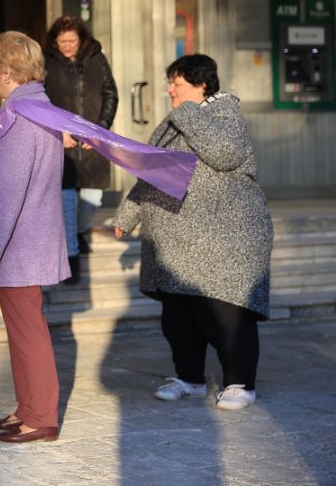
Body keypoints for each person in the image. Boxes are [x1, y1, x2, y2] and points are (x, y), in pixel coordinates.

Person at [113, 54, 273, 411]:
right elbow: (154, 172)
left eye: (177, 83)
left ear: (202, 85)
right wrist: (127, 214)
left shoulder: (225, 115)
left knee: (226, 314)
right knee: (179, 320)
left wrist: (187, 111)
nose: (170, 90)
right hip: (177, 244)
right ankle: (189, 378)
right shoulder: (173, 122)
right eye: (170, 83)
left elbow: (225, 154)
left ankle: (240, 383)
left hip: (224, 239)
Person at [0, 31, 67, 443]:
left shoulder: (20, 116)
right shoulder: (39, 109)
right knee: (24, 330)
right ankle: (28, 407)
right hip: (29, 238)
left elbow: (6, 193)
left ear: (8, 72)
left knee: (27, 331)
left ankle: (40, 416)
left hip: (18, 243)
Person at [43, 15, 118, 284]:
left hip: (91, 141)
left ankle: (77, 231)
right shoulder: (47, 61)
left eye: (71, 41)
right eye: (62, 41)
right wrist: (57, 132)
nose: (66, 46)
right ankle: (71, 257)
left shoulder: (97, 58)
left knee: (92, 198)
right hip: (61, 143)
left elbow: (111, 94)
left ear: (81, 39)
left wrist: (100, 130)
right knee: (66, 201)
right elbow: (40, 101)